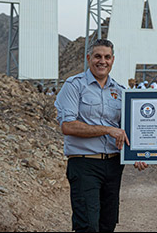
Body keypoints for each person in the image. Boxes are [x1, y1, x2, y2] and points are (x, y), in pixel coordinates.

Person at [55, 39, 139, 232]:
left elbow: (128, 129)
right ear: (88, 58)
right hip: (85, 165)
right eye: (98, 56)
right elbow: (67, 126)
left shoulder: (120, 91)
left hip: (113, 165)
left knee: (107, 225)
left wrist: (139, 154)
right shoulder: (74, 85)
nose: (103, 61)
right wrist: (107, 129)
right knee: (87, 226)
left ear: (113, 60)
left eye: (107, 57)